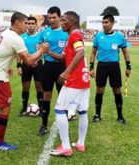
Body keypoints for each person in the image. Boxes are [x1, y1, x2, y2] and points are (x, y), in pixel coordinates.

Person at [0, 12, 49, 151]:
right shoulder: (15, 38)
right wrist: (42, 50)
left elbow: (2, 53)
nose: (26, 26)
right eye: (25, 23)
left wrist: (8, 66)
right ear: (17, 22)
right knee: (5, 107)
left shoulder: (6, 33)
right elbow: (29, 60)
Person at [46, 11, 90, 156]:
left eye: (64, 20)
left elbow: (81, 52)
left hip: (75, 80)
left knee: (60, 109)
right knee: (82, 111)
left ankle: (66, 147)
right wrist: (48, 52)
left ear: (72, 21)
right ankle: (80, 144)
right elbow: (64, 58)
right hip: (84, 81)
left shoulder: (75, 35)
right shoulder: (71, 36)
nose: (61, 22)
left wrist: (66, 73)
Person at [90, 14, 131, 124]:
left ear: (112, 23)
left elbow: (125, 52)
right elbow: (93, 52)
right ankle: (97, 115)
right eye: (103, 22)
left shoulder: (119, 37)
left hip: (114, 66)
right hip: (101, 66)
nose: (104, 24)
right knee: (99, 90)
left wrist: (128, 66)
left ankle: (120, 116)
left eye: (106, 22)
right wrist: (91, 67)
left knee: (117, 90)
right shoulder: (98, 36)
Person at [38, 6, 68, 136]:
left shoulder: (66, 33)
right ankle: (44, 125)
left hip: (62, 68)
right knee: (47, 96)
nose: (51, 20)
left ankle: (64, 124)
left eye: (54, 17)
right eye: (49, 17)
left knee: (63, 96)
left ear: (59, 17)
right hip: (48, 67)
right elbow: (38, 47)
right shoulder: (44, 33)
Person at [17, 16, 43, 116]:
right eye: (28, 23)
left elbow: (43, 51)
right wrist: (19, 66)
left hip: (38, 64)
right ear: (26, 25)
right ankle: (24, 108)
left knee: (39, 87)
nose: (30, 25)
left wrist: (37, 60)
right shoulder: (22, 37)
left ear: (36, 25)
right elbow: (18, 53)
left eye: (32, 23)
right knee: (25, 87)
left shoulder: (40, 36)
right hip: (25, 65)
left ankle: (41, 109)